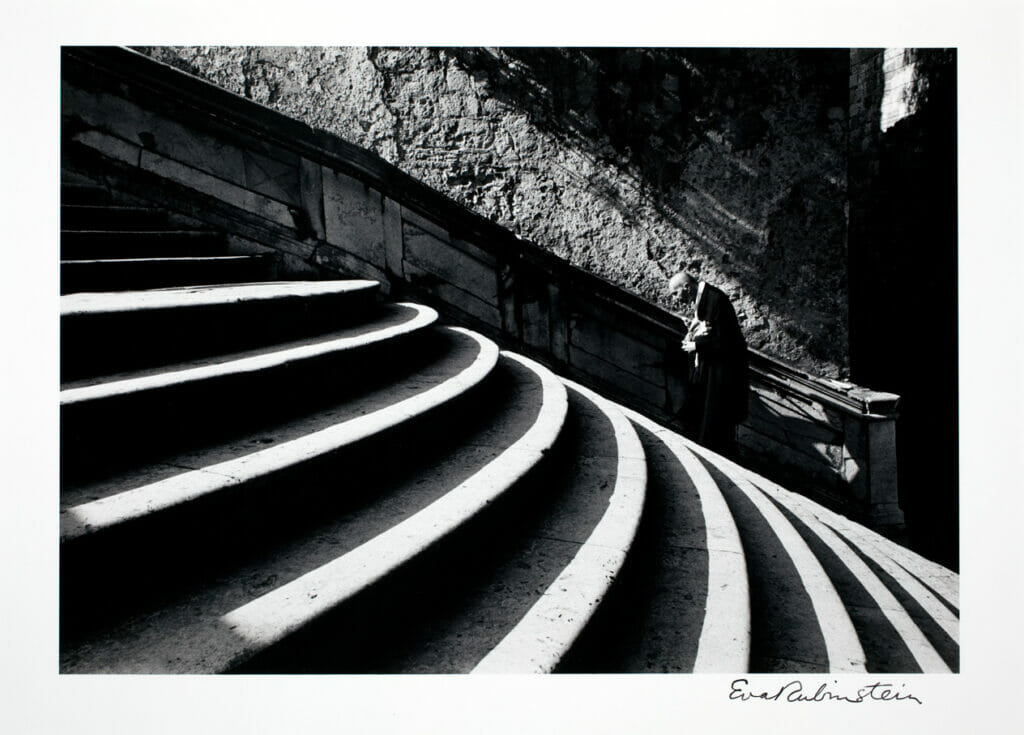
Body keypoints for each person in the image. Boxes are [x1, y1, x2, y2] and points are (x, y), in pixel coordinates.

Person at [668, 271, 749, 456]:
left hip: (723, 372)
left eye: (675, 293)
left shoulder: (715, 300)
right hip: (714, 367)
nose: (675, 298)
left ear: (687, 287)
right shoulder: (707, 298)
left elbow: (727, 340)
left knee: (715, 420)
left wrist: (696, 344)